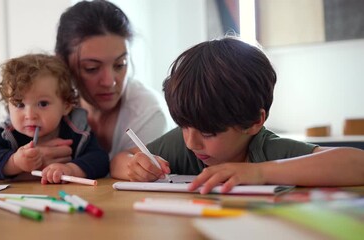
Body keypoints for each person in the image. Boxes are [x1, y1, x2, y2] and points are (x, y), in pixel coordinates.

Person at [110, 37, 364, 194]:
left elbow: (357, 164)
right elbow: (121, 159)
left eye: (208, 132)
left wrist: (260, 173)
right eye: (184, 126)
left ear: (255, 121)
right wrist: (136, 166)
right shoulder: (185, 143)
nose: (191, 142)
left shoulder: (267, 150)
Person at [0, 0, 173, 178]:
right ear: (63, 65)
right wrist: (19, 164)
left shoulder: (146, 111)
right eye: (92, 68)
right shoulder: (44, 98)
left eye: (120, 64)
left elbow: (108, 165)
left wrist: (71, 169)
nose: (110, 81)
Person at [0, 53, 109, 183]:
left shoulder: (78, 130)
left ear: (66, 106)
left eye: (43, 104)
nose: (30, 115)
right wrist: (15, 162)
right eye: (19, 104)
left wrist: (70, 169)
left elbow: (100, 160)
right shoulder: (8, 133)